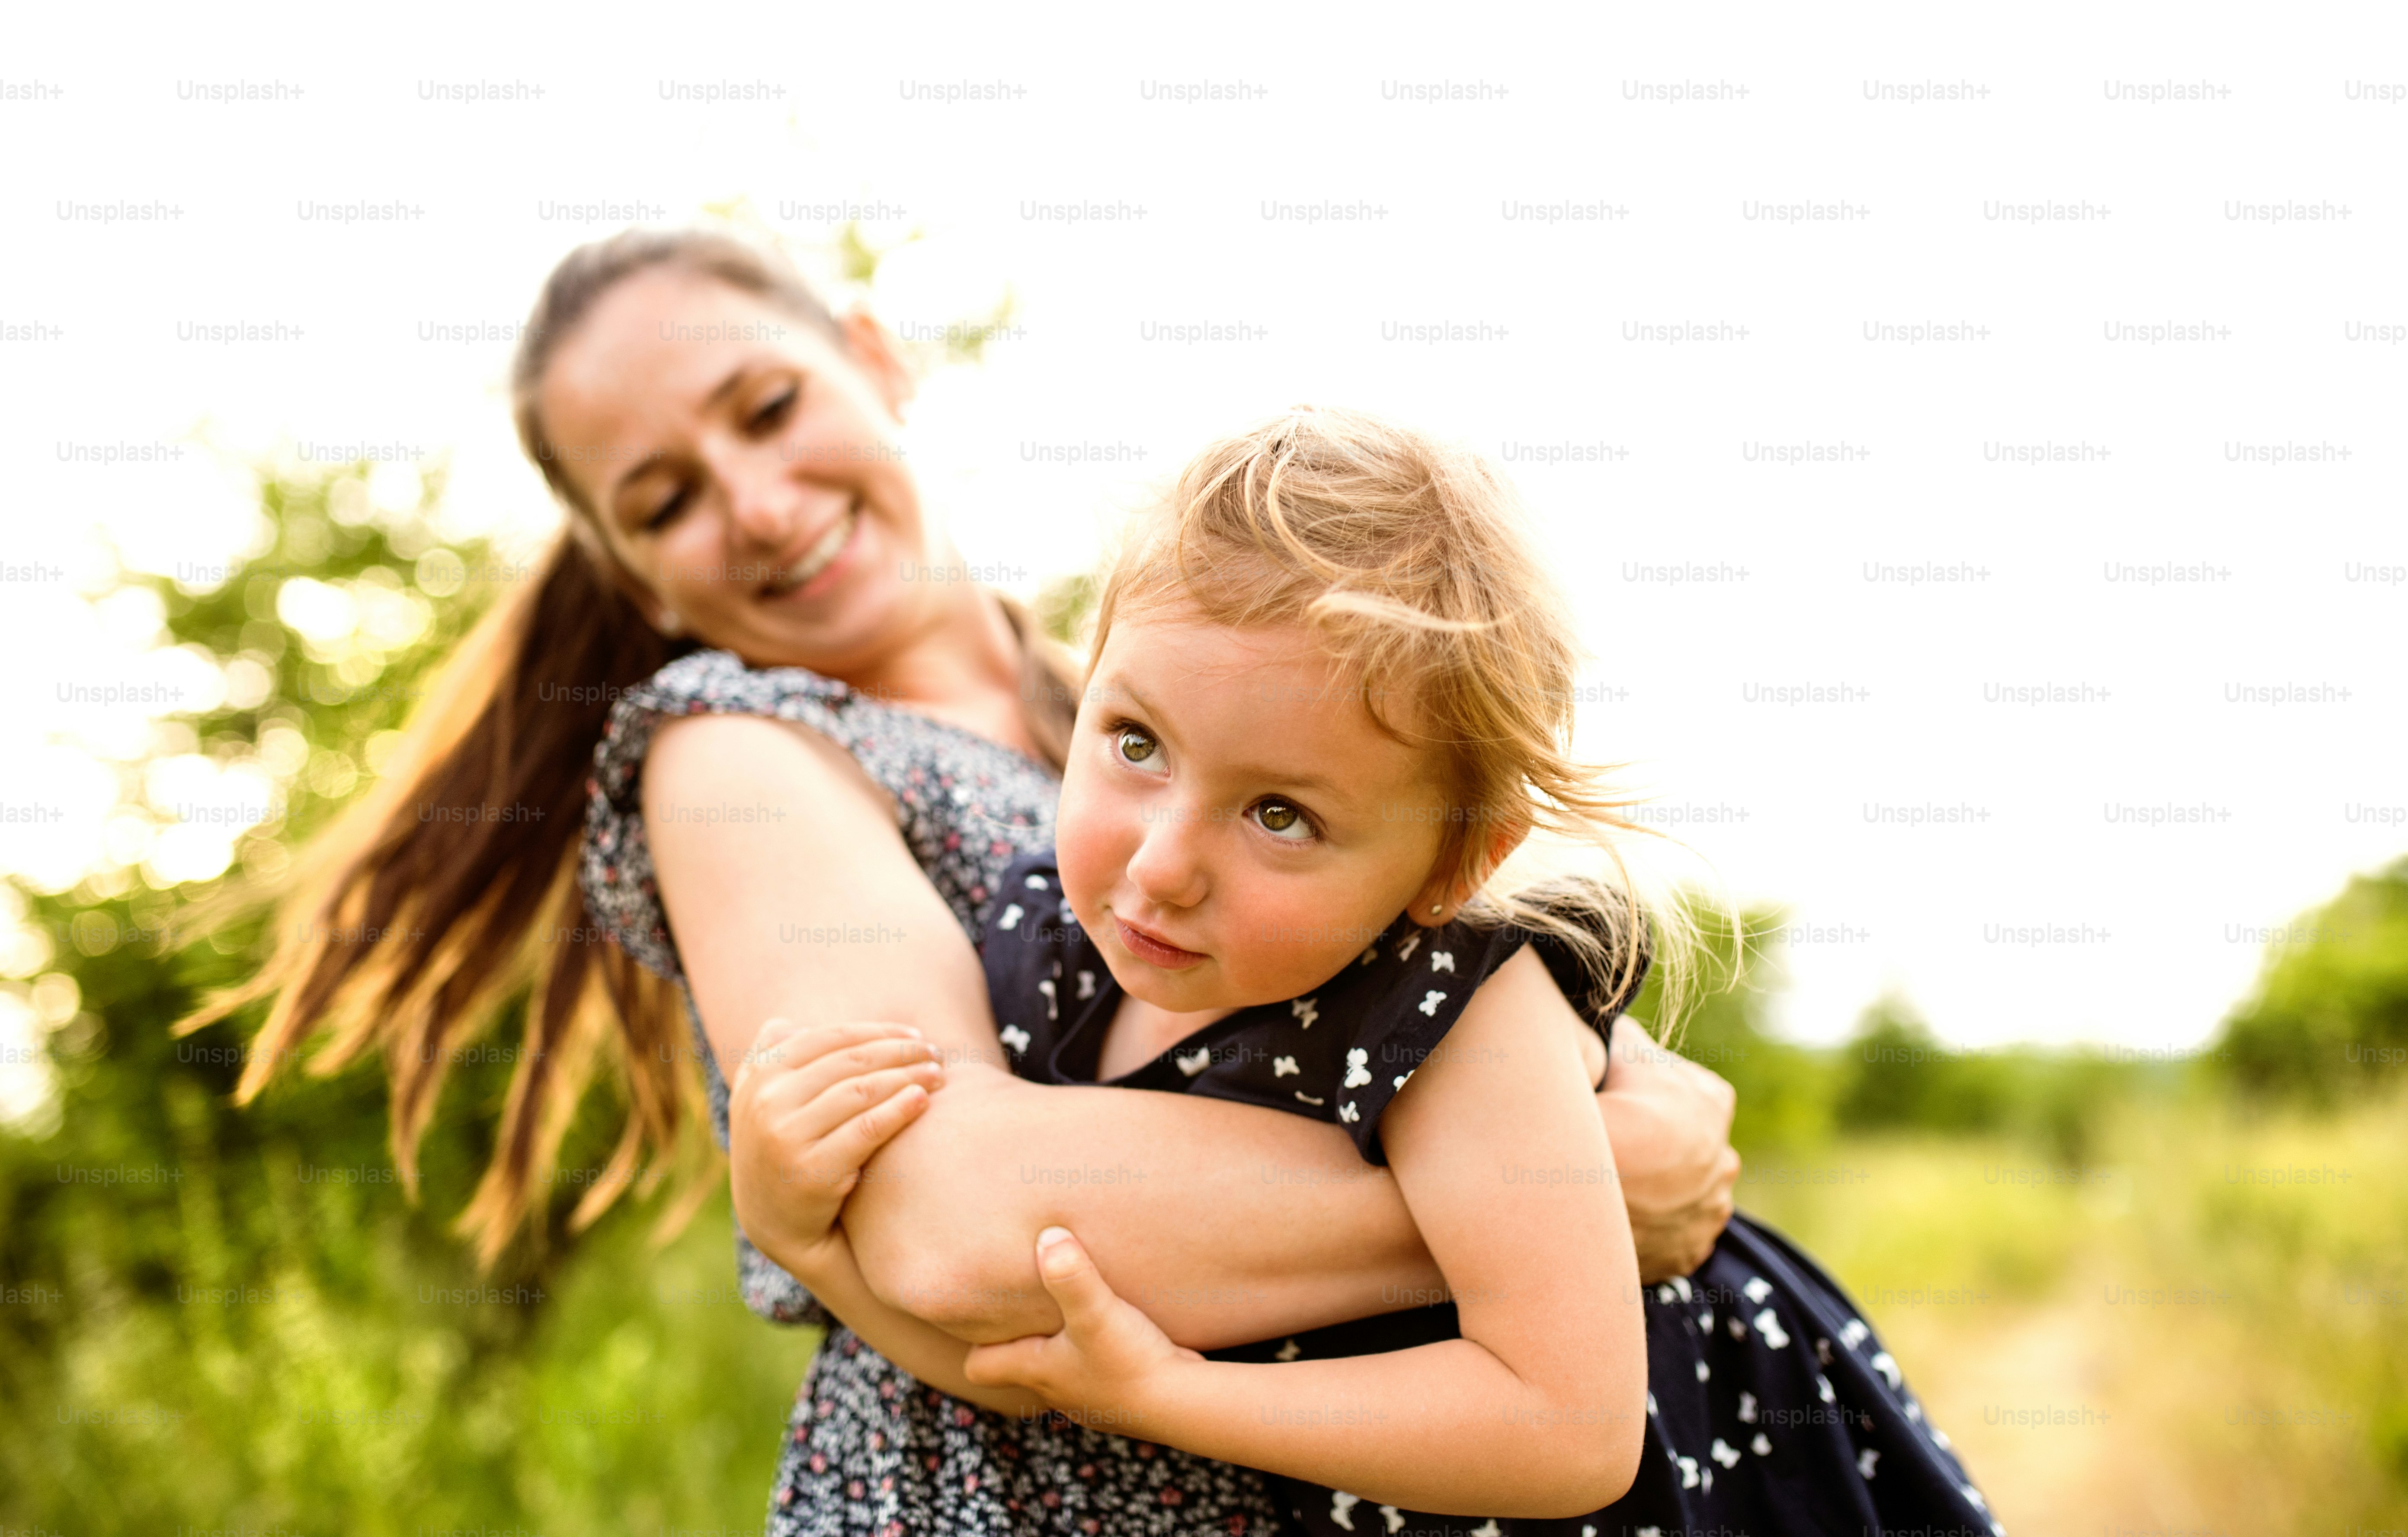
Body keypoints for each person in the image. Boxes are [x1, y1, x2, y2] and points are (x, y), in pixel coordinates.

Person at [201, 229, 1742, 1536]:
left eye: (766, 407)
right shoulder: (743, 751)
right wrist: (1560, 1202)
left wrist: (1574, 1118)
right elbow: (958, 1224)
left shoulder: (1148, 721)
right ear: (626, 568)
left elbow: (1483, 993)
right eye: (662, 499)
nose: (752, 503)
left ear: (875, 359)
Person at [734, 410, 2005, 1535]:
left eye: (1280, 815)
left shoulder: (1446, 1000)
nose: (1164, 862)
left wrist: (1180, 1397)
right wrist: (808, 1241)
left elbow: (1569, 1426)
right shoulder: (1047, 940)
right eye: (1134, 742)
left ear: (1456, 859)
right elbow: (1015, 1352)